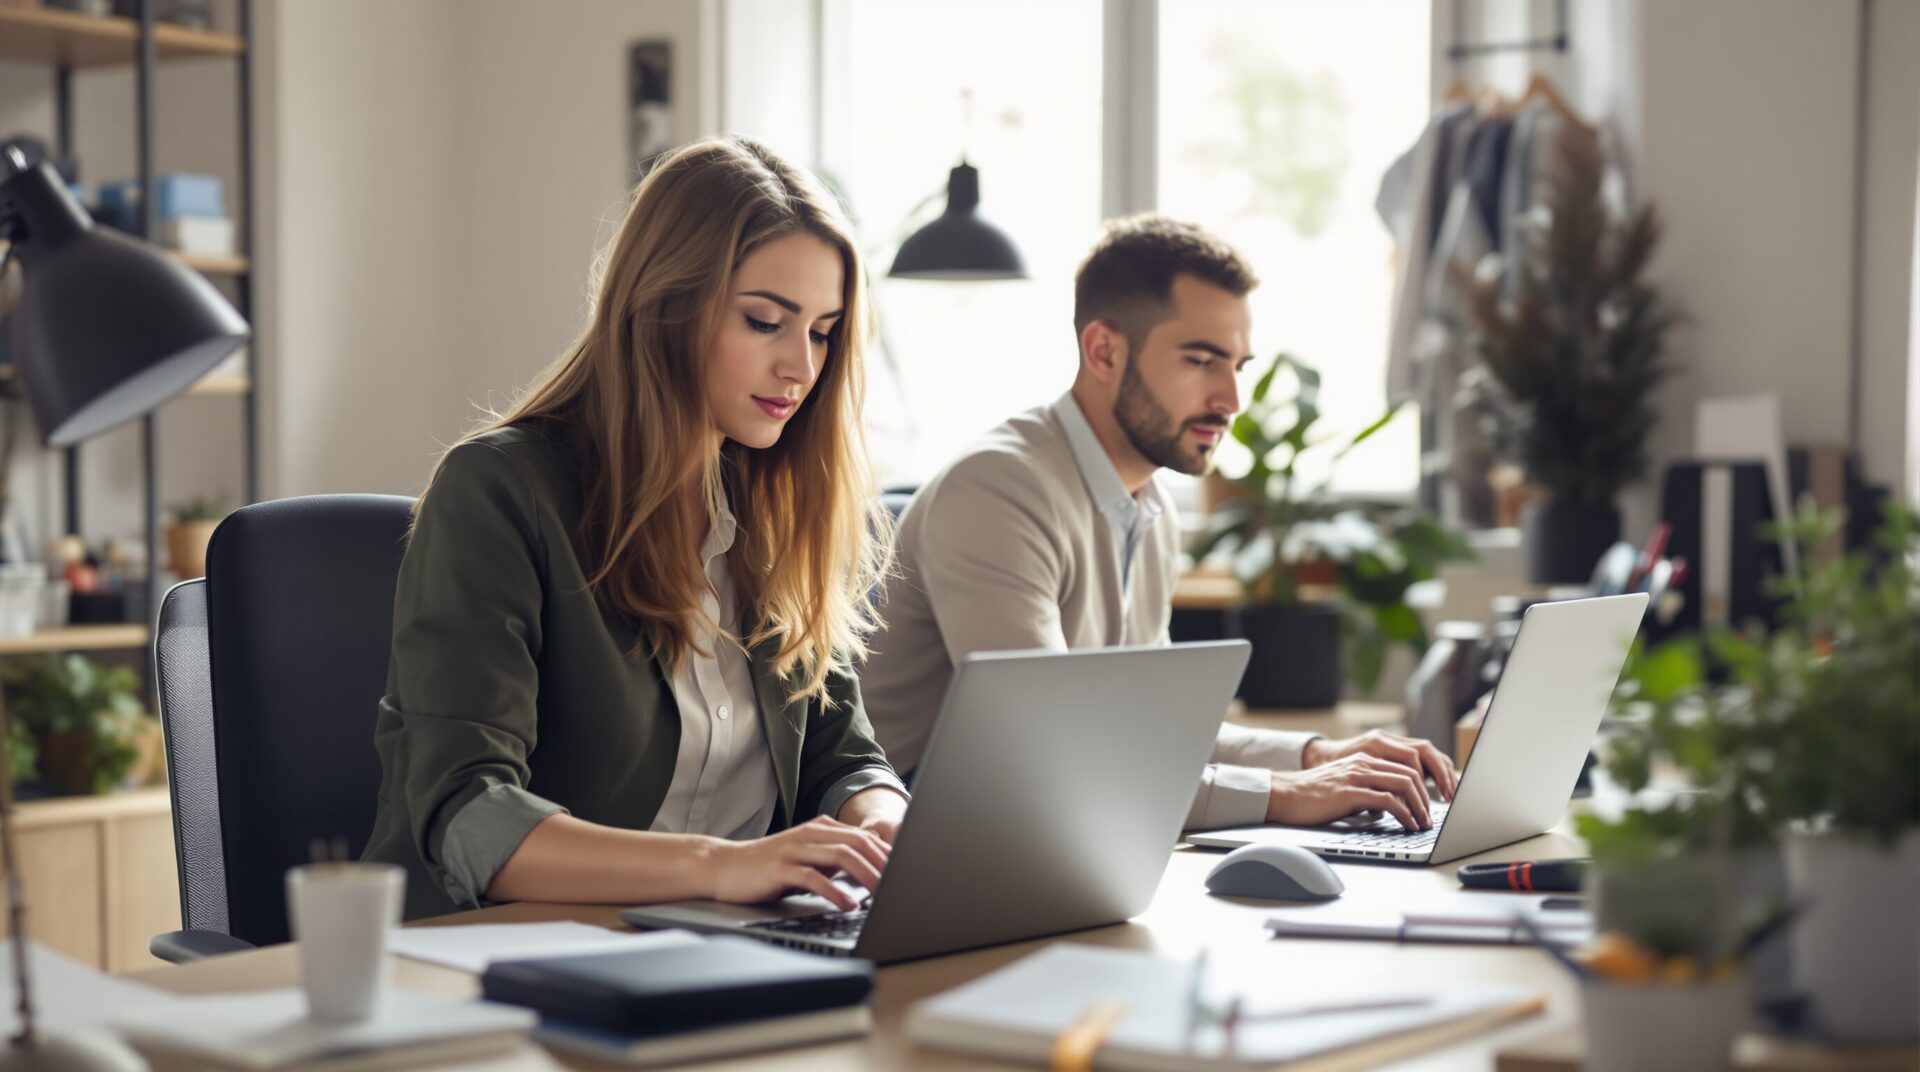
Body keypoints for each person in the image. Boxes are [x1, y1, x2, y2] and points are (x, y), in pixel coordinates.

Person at [364, 137, 908, 920]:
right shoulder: (500, 491)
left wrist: (886, 833)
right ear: (665, 305)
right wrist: (723, 867)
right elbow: (469, 814)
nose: (802, 366)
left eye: (822, 331)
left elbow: (842, 754)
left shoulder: (775, 505)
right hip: (507, 958)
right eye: (765, 321)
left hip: (731, 945)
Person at [859, 215, 1457, 834]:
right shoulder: (996, 490)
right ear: (1104, 351)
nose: (1230, 399)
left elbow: (1148, 735)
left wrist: (1317, 757)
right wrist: (1284, 793)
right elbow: (1049, 754)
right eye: (1201, 361)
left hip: (1045, 834)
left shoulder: (1149, 506)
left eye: (1238, 366)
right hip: (922, 844)